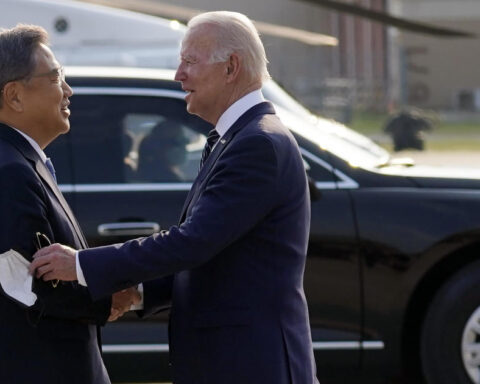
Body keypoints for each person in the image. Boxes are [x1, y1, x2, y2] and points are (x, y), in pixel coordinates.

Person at [31, 11, 319, 384]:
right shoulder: (232, 140)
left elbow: (192, 243)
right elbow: (216, 258)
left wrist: (82, 266)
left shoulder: (257, 144)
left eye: (189, 62)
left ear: (231, 67)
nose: (178, 75)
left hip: (252, 364)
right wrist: (137, 293)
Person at [0, 24, 139, 383]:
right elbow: (24, 283)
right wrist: (107, 296)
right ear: (14, 96)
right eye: (56, 77)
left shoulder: (22, 163)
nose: (68, 91)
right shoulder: (8, 172)